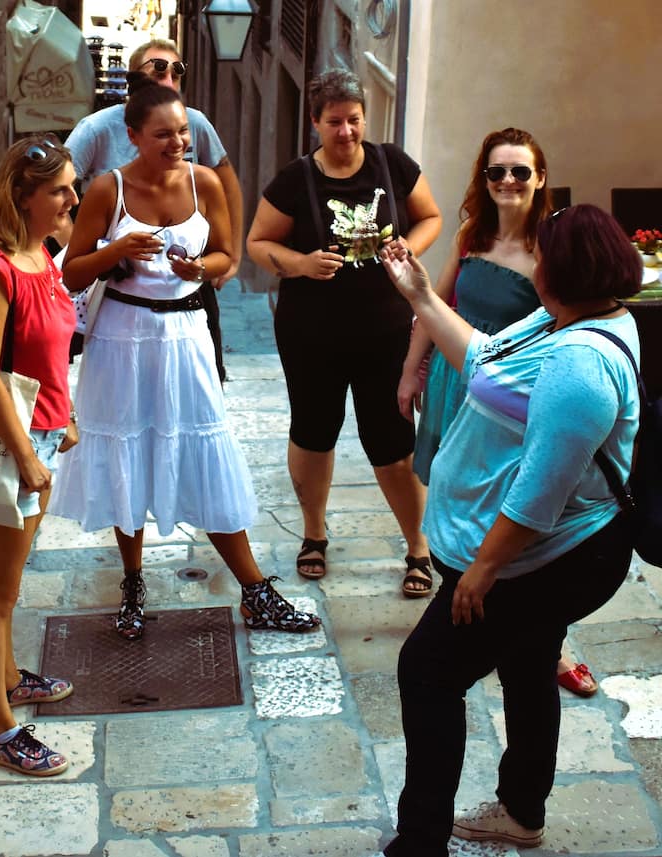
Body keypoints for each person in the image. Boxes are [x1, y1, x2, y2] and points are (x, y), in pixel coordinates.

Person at [379, 203, 641, 856]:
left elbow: (540, 492)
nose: (534, 265)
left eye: (542, 257)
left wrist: (484, 568)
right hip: (538, 552)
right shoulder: (563, 317)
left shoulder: (581, 366)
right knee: (528, 663)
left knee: (428, 672)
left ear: (562, 272)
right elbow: (483, 358)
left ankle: (420, 842)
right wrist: (420, 296)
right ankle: (522, 812)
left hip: (554, 557)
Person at [50, 76, 320, 640]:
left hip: (188, 334)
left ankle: (254, 590)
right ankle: (132, 583)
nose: (178, 143)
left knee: (205, 451)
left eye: (182, 133)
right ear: (132, 136)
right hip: (121, 339)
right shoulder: (106, 190)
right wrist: (117, 249)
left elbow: (225, 256)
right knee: (126, 454)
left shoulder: (205, 183)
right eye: (163, 135)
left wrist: (201, 269)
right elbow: (70, 272)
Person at [399, 128, 599, 688]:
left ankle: (547, 640)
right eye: (496, 171)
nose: (507, 181)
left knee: (511, 499)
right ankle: (458, 592)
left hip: (508, 396)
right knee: (455, 484)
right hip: (453, 381)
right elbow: (435, 302)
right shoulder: (472, 233)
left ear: (540, 178)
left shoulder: (550, 249)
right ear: (483, 179)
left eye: (519, 171)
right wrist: (411, 369)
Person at [247, 69, 442, 585]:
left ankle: (418, 545)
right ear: (315, 122)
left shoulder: (392, 164)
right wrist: (301, 263)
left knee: (392, 441)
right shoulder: (294, 180)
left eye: (354, 119)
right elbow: (258, 243)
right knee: (314, 433)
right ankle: (314, 533)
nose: (346, 131)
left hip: (386, 332)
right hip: (312, 334)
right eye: (334, 122)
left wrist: (408, 248)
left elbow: (430, 217)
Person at [0, 136, 79, 775]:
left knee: (10, 582)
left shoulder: (43, 255)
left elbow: (48, 350)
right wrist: (27, 453)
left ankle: (9, 678)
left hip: (42, 436)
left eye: (71, 186)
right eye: (59, 190)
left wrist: (64, 418)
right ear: (23, 196)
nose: (71, 199)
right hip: (15, 445)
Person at [64, 38, 240, 381]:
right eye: (159, 69)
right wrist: (102, 247)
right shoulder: (99, 136)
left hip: (189, 317)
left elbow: (227, 183)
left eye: (177, 71)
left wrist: (217, 263)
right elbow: (57, 187)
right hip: (120, 317)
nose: (177, 143)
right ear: (134, 136)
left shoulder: (200, 155)